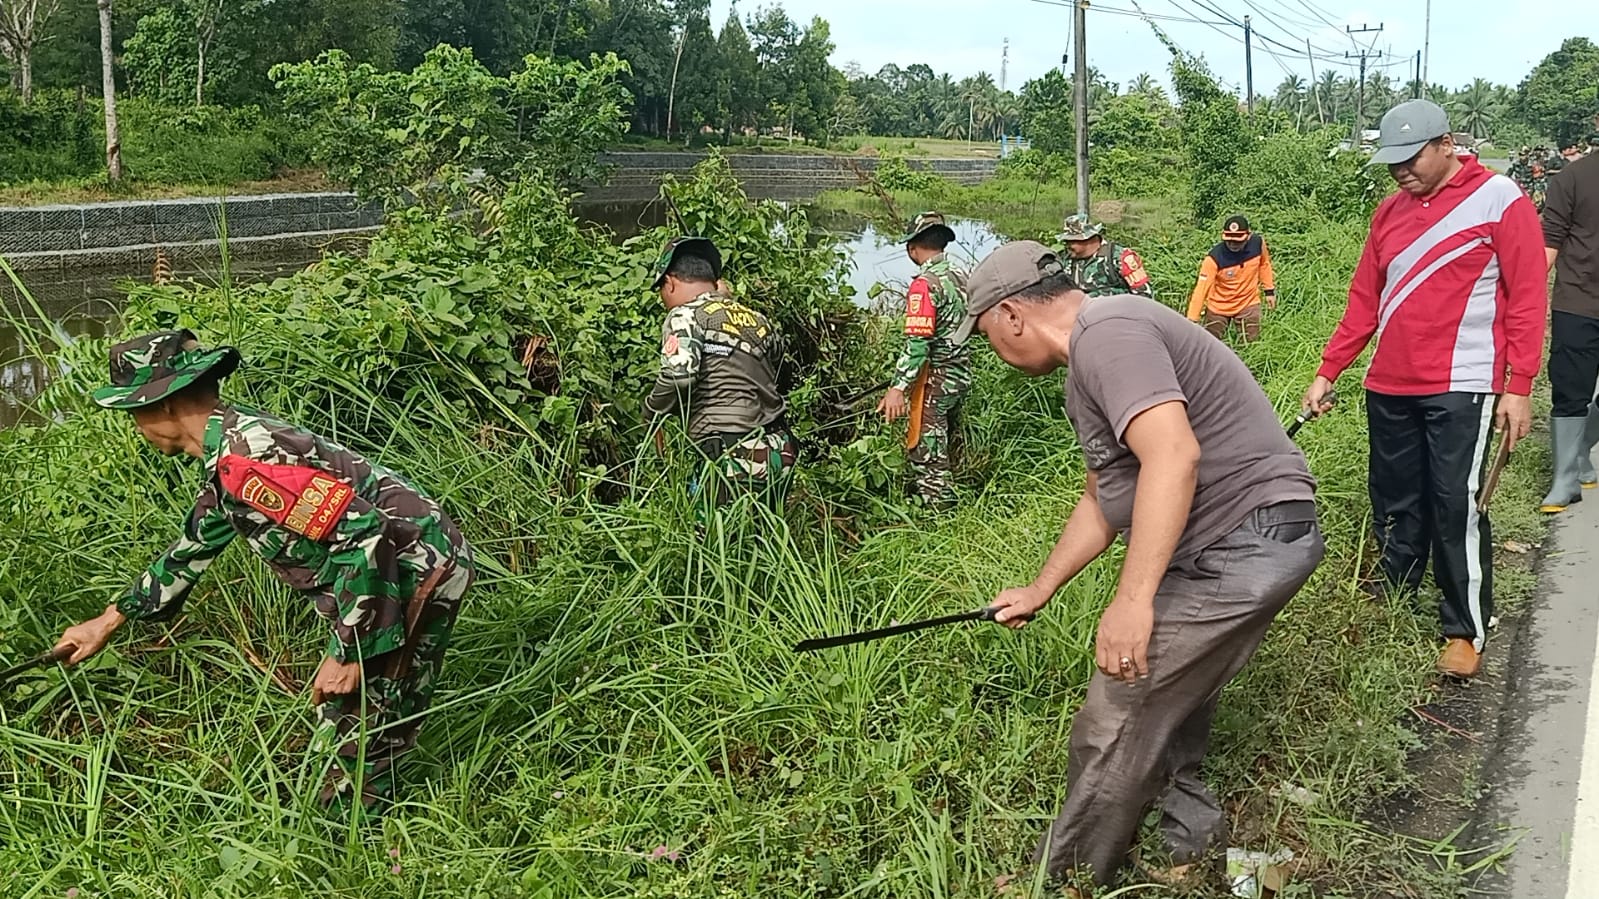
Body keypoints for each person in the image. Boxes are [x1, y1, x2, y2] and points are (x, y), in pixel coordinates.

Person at [955, 241, 1323, 892]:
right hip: (1244, 539)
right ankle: (1186, 846)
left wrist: (1132, 602)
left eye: (985, 334)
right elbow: (1104, 497)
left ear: (1011, 315)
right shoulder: (1090, 363)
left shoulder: (1110, 330)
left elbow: (1172, 457)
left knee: (1119, 701)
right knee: (1167, 698)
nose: (993, 351)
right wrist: (1040, 587)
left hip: (1246, 536)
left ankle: (1066, 879)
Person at [53, 329, 475, 813]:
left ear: (164, 404)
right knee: (363, 722)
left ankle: (356, 850)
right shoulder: (231, 448)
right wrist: (105, 623)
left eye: (133, 412)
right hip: (396, 570)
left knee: (359, 724)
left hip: (410, 573)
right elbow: (191, 549)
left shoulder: (247, 461)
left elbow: (364, 534)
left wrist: (349, 650)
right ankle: (365, 827)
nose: (135, 426)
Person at [1302, 100, 1546, 680]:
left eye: (1410, 159)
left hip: (1463, 382)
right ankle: (1397, 594)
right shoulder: (1389, 213)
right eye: (1392, 163)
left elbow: (1528, 296)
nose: (1401, 172)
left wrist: (1520, 386)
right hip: (1389, 381)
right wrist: (1329, 369)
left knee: (1454, 503)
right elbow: (1365, 300)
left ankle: (1464, 628)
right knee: (1394, 497)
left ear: (1447, 145)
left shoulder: (1499, 200)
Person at [645, 235, 796, 515]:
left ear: (670, 283)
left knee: (710, 548)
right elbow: (780, 374)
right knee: (764, 544)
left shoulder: (684, 316)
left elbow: (679, 377)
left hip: (732, 451)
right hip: (780, 448)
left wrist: (651, 412)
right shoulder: (757, 319)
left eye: (661, 290)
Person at [876, 212, 973, 509]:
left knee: (926, 452)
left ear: (912, 248)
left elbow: (917, 344)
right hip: (961, 373)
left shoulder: (924, 285)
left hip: (936, 378)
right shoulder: (962, 275)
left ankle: (941, 517)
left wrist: (897, 388)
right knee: (943, 441)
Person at [1540, 143, 1599, 512]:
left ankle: (1581, 448)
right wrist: (1521, 304)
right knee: (1570, 392)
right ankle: (1564, 480)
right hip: (1578, 301)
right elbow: (1549, 243)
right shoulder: (1572, 178)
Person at [1184, 214, 1277, 343]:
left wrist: (1269, 290)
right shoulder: (1213, 258)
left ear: (1248, 236)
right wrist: (1192, 319)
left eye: (1238, 241)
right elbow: (1201, 289)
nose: (1233, 244)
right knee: (1211, 346)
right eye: (1229, 240)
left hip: (1248, 303)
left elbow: (1264, 264)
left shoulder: (1258, 244)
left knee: (1251, 343)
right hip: (1219, 307)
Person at [1056, 213, 1154, 299]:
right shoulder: (1066, 259)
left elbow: (1144, 295)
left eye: (1071, 242)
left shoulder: (1120, 257)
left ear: (1087, 239)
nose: (1067, 246)